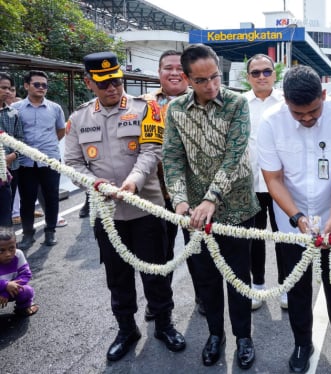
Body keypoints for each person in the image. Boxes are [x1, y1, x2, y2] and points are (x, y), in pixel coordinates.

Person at [64, 51, 186, 361]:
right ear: (89, 83)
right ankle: (126, 329)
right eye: (104, 84)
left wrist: (132, 182)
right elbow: (73, 163)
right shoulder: (78, 119)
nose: (112, 88)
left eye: (117, 81)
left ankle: (163, 324)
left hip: (146, 207)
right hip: (107, 213)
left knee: (156, 272)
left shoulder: (146, 109)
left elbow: (151, 151)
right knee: (117, 276)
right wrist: (96, 185)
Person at [257, 65, 331, 373]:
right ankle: (302, 342)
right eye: (298, 113)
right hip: (291, 219)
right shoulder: (271, 121)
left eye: (313, 112)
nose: (306, 119)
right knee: (297, 287)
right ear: (285, 103)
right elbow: (273, 178)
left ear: (324, 96)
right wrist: (297, 217)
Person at [162, 44, 258, 370]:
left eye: (215, 77)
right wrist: (178, 198)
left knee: (237, 278)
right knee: (205, 278)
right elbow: (172, 158)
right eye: (201, 80)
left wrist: (210, 198)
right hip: (194, 215)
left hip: (236, 207)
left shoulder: (236, 103)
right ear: (187, 79)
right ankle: (215, 334)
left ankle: (243, 337)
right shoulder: (175, 110)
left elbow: (234, 157)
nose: (211, 85)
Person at [141, 49, 205, 321]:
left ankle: (204, 296)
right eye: (168, 68)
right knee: (157, 253)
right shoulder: (142, 104)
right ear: (159, 73)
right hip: (155, 193)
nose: (175, 73)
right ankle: (158, 303)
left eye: (180, 68)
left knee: (198, 250)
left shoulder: (204, 100)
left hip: (194, 194)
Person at [242, 53, 287, 311]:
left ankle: (285, 286)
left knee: (284, 236)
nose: (261, 76)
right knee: (254, 238)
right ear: (248, 77)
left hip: (281, 182)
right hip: (250, 184)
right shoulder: (239, 104)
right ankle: (256, 285)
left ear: (274, 74)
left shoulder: (285, 101)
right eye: (256, 72)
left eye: (266, 71)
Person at [13, 70, 66, 248]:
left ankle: (50, 231)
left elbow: (60, 131)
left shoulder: (55, 108)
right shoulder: (16, 109)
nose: (41, 88)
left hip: (50, 160)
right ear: (27, 86)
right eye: (37, 84)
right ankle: (28, 235)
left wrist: (47, 149)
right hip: (25, 162)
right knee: (27, 199)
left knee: (51, 197)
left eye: (44, 85)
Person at [0, 73, 24, 228]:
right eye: (3, 87)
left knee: (6, 209)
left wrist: (13, 156)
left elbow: (20, 139)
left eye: (9, 88)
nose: (8, 91)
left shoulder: (13, 113)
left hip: (11, 168)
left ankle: (7, 248)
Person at [0, 227, 39, 317]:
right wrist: (5, 285)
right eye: (1, 250)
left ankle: (22, 308)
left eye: (11, 248)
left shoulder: (18, 254)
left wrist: (6, 291)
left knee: (27, 291)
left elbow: (25, 274)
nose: (8, 254)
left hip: (11, 290)